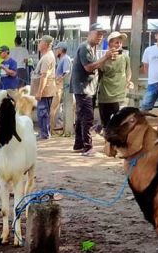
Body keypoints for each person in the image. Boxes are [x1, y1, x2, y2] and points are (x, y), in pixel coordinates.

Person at [70, 22, 117, 156]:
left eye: (102, 34)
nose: (100, 37)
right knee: (87, 117)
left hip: (86, 87)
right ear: (89, 33)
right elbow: (89, 67)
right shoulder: (85, 47)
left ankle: (78, 144)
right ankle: (87, 147)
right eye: (98, 33)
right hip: (83, 88)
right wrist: (105, 57)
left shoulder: (91, 48)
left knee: (81, 117)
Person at [97, 31, 133, 131]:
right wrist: (106, 58)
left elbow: (128, 71)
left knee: (120, 122)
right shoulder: (103, 58)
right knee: (106, 123)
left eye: (120, 42)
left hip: (120, 94)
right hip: (105, 93)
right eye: (116, 42)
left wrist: (128, 81)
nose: (119, 44)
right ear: (109, 44)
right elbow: (98, 73)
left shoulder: (125, 56)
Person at [31, 35, 56, 139]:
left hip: (45, 90)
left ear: (45, 44)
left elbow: (44, 76)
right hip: (46, 89)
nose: (38, 44)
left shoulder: (47, 57)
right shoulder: (47, 55)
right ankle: (44, 132)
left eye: (40, 42)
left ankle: (44, 134)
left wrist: (40, 92)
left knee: (43, 112)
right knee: (43, 112)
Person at [51, 41, 71, 132]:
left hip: (62, 87)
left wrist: (59, 79)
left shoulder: (65, 59)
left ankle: (60, 124)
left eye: (56, 49)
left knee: (56, 106)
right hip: (61, 86)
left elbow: (66, 72)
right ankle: (60, 123)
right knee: (59, 107)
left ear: (60, 50)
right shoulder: (63, 59)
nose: (55, 51)